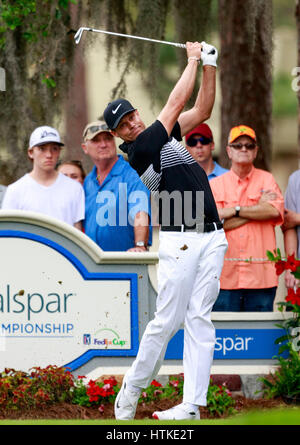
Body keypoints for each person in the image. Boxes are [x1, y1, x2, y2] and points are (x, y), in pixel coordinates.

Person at [103, 41, 228, 420]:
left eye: (132, 116)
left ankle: (192, 406)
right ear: (120, 135)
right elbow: (174, 105)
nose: (132, 124)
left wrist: (209, 65)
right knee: (167, 321)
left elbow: (202, 109)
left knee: (200, 319)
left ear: (138, 113)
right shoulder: (139, 150)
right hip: (182, 238)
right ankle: (133, 390)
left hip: (212, 234)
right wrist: (191, 57)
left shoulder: (166, 133)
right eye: (123, 125)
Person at [210, 125, 284, 312]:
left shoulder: (267, 180)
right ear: (228, 150)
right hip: (224, 278)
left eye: (249, 145)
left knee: (258, 337)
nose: (244, 149)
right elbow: (212, 224)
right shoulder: (215, 186)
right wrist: (257, 209)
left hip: (261, 278)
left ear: (256, 150)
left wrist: (233, 210)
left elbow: (274, 212)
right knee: (224, 338)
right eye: (238, 145)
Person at [81, 120, 151, 252]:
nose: (103, 144)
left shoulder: (133, 174)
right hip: (92, 267)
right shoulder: (88, 181)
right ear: (85, 148)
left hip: (125, 262)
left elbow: (140, 212)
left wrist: (140, 245)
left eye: (108, 138)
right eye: (96, 140)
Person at [1, 126, 85, 230]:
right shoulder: (15, 190)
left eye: (54, 149)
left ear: (59, 152)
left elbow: (78, 233)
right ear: (31, 152)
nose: (49, 155)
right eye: (42, 149)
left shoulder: (74, 188)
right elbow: (9, 232)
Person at [281, 170, 300, 289]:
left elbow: (294, 219)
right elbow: (289, 224)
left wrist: (298, 218)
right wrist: (292, 267)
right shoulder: (296, 179)